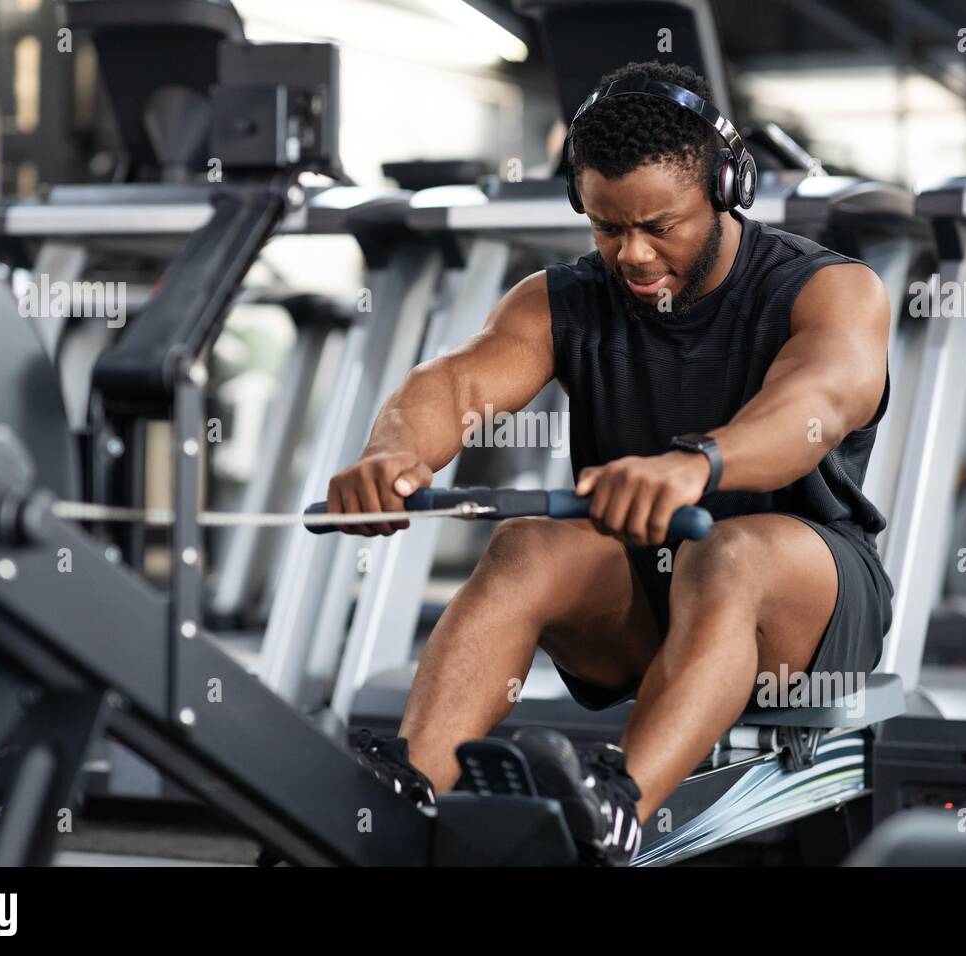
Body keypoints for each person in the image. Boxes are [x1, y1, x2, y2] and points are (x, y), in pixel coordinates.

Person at [333, 60, 894, 865]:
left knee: (728, 552)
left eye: (660, 226)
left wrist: (700, 463)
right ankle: (411, 793)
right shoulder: (560, 300)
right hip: (651, 595)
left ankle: (617, 806)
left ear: (726, 191)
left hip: (800, 607)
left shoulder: (832, 290)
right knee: (524, 546)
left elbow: (813, 408)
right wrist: (391, 455)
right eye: (606, 227)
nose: (631, 254)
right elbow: (458, 380)